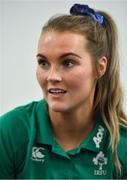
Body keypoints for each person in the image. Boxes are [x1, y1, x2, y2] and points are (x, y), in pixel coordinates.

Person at [0, 3, 127, 179]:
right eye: (43, 63)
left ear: (100, 67)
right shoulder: (10, 132)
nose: (52, 76)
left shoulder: (122, 146)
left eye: (68, 63)